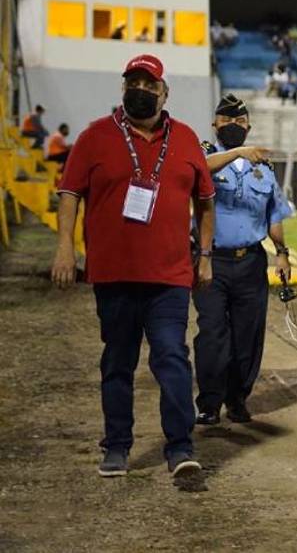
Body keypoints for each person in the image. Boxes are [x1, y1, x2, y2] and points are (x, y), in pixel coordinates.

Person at [51, 54, 215, 483]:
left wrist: (207, 255)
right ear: (124, 88)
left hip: (169, 277)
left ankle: (180, 448)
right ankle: (117, 446)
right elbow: (69, 193)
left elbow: (206, 199)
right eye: (133, 83)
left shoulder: (186, 139)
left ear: (165, 92)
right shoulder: (95, 137)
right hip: (113, 275)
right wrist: (65, 248)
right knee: (118, 362)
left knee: (172, 360)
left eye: (149, 84)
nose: (140, 90)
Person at [193, 94, 294, 426]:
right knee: (212, 334)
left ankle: (237, 399)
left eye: (239, 122)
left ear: (248, 125)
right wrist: (236, 153)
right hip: (211, 260)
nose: (233, 126)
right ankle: (209, 403)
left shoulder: (262, 168)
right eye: (226, 121)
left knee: (247, 336)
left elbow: (273, 215)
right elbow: (200, 174)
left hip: (251, 262)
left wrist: (281, 253)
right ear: (215, 124)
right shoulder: (203, 157)